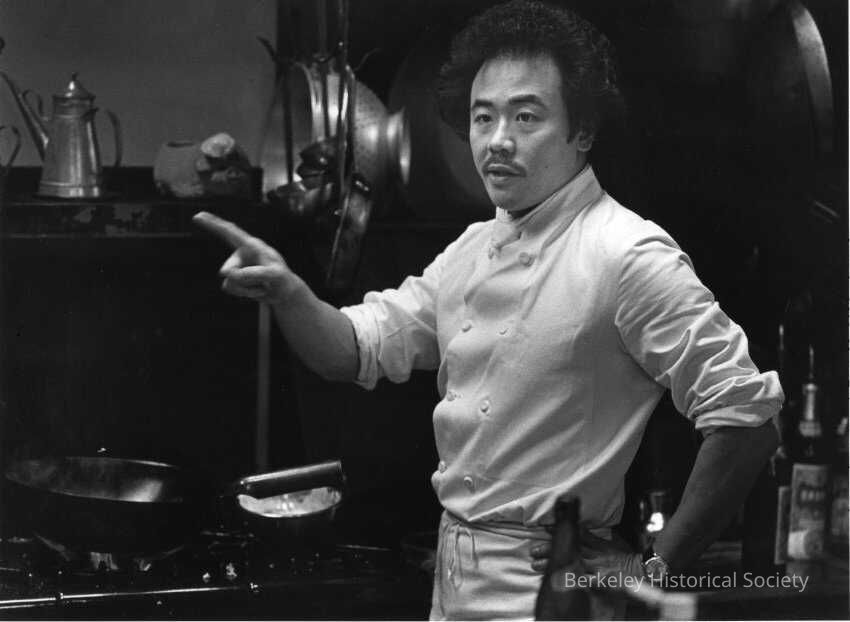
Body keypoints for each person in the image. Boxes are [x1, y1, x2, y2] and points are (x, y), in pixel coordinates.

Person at [194, 1, 783, 618]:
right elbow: (352, 349)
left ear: (583, 130)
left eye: (526, 116)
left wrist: (653, 570)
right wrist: (288, 291)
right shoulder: (471, 250)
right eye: (483, 117)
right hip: (452, 580)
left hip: (550, 592)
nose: (498, 140)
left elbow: (747, 420)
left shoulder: (626, 253)